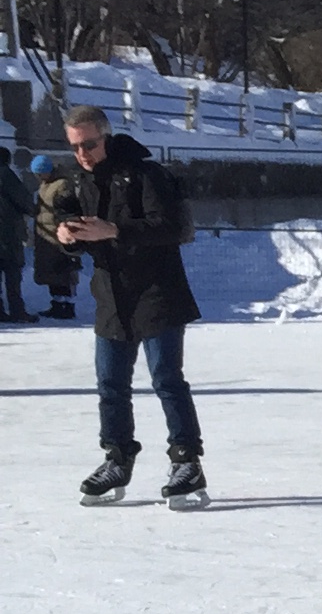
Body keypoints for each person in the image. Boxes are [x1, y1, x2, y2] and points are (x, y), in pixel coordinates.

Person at [46, 102, 209, 505]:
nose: (83, 154)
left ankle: (186, 460)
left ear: (107, 137)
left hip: (158, 294)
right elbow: (91, 240)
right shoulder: (79, 183)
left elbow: (175, 228)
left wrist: (115, 229)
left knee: (167, 380)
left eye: (90, 144)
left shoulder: (146, 174)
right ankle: (117, 456)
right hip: (111, 297)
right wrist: (70, 239)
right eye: (76, 148)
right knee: (111, 386)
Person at [29, 154, 82, 318]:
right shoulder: (46, 185)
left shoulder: (62, 185)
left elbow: (66, 209)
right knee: (52, 274)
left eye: (40, 173)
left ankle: (67, 306)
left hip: (58, 236)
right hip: (47, 236)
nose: (39, 177)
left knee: (63, 273)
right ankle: (57, 304)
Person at [0, 144, 33, 321]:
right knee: (13, 274)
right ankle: (17, 310)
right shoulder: (5, 174)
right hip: (8, 232)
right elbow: (23, 199)